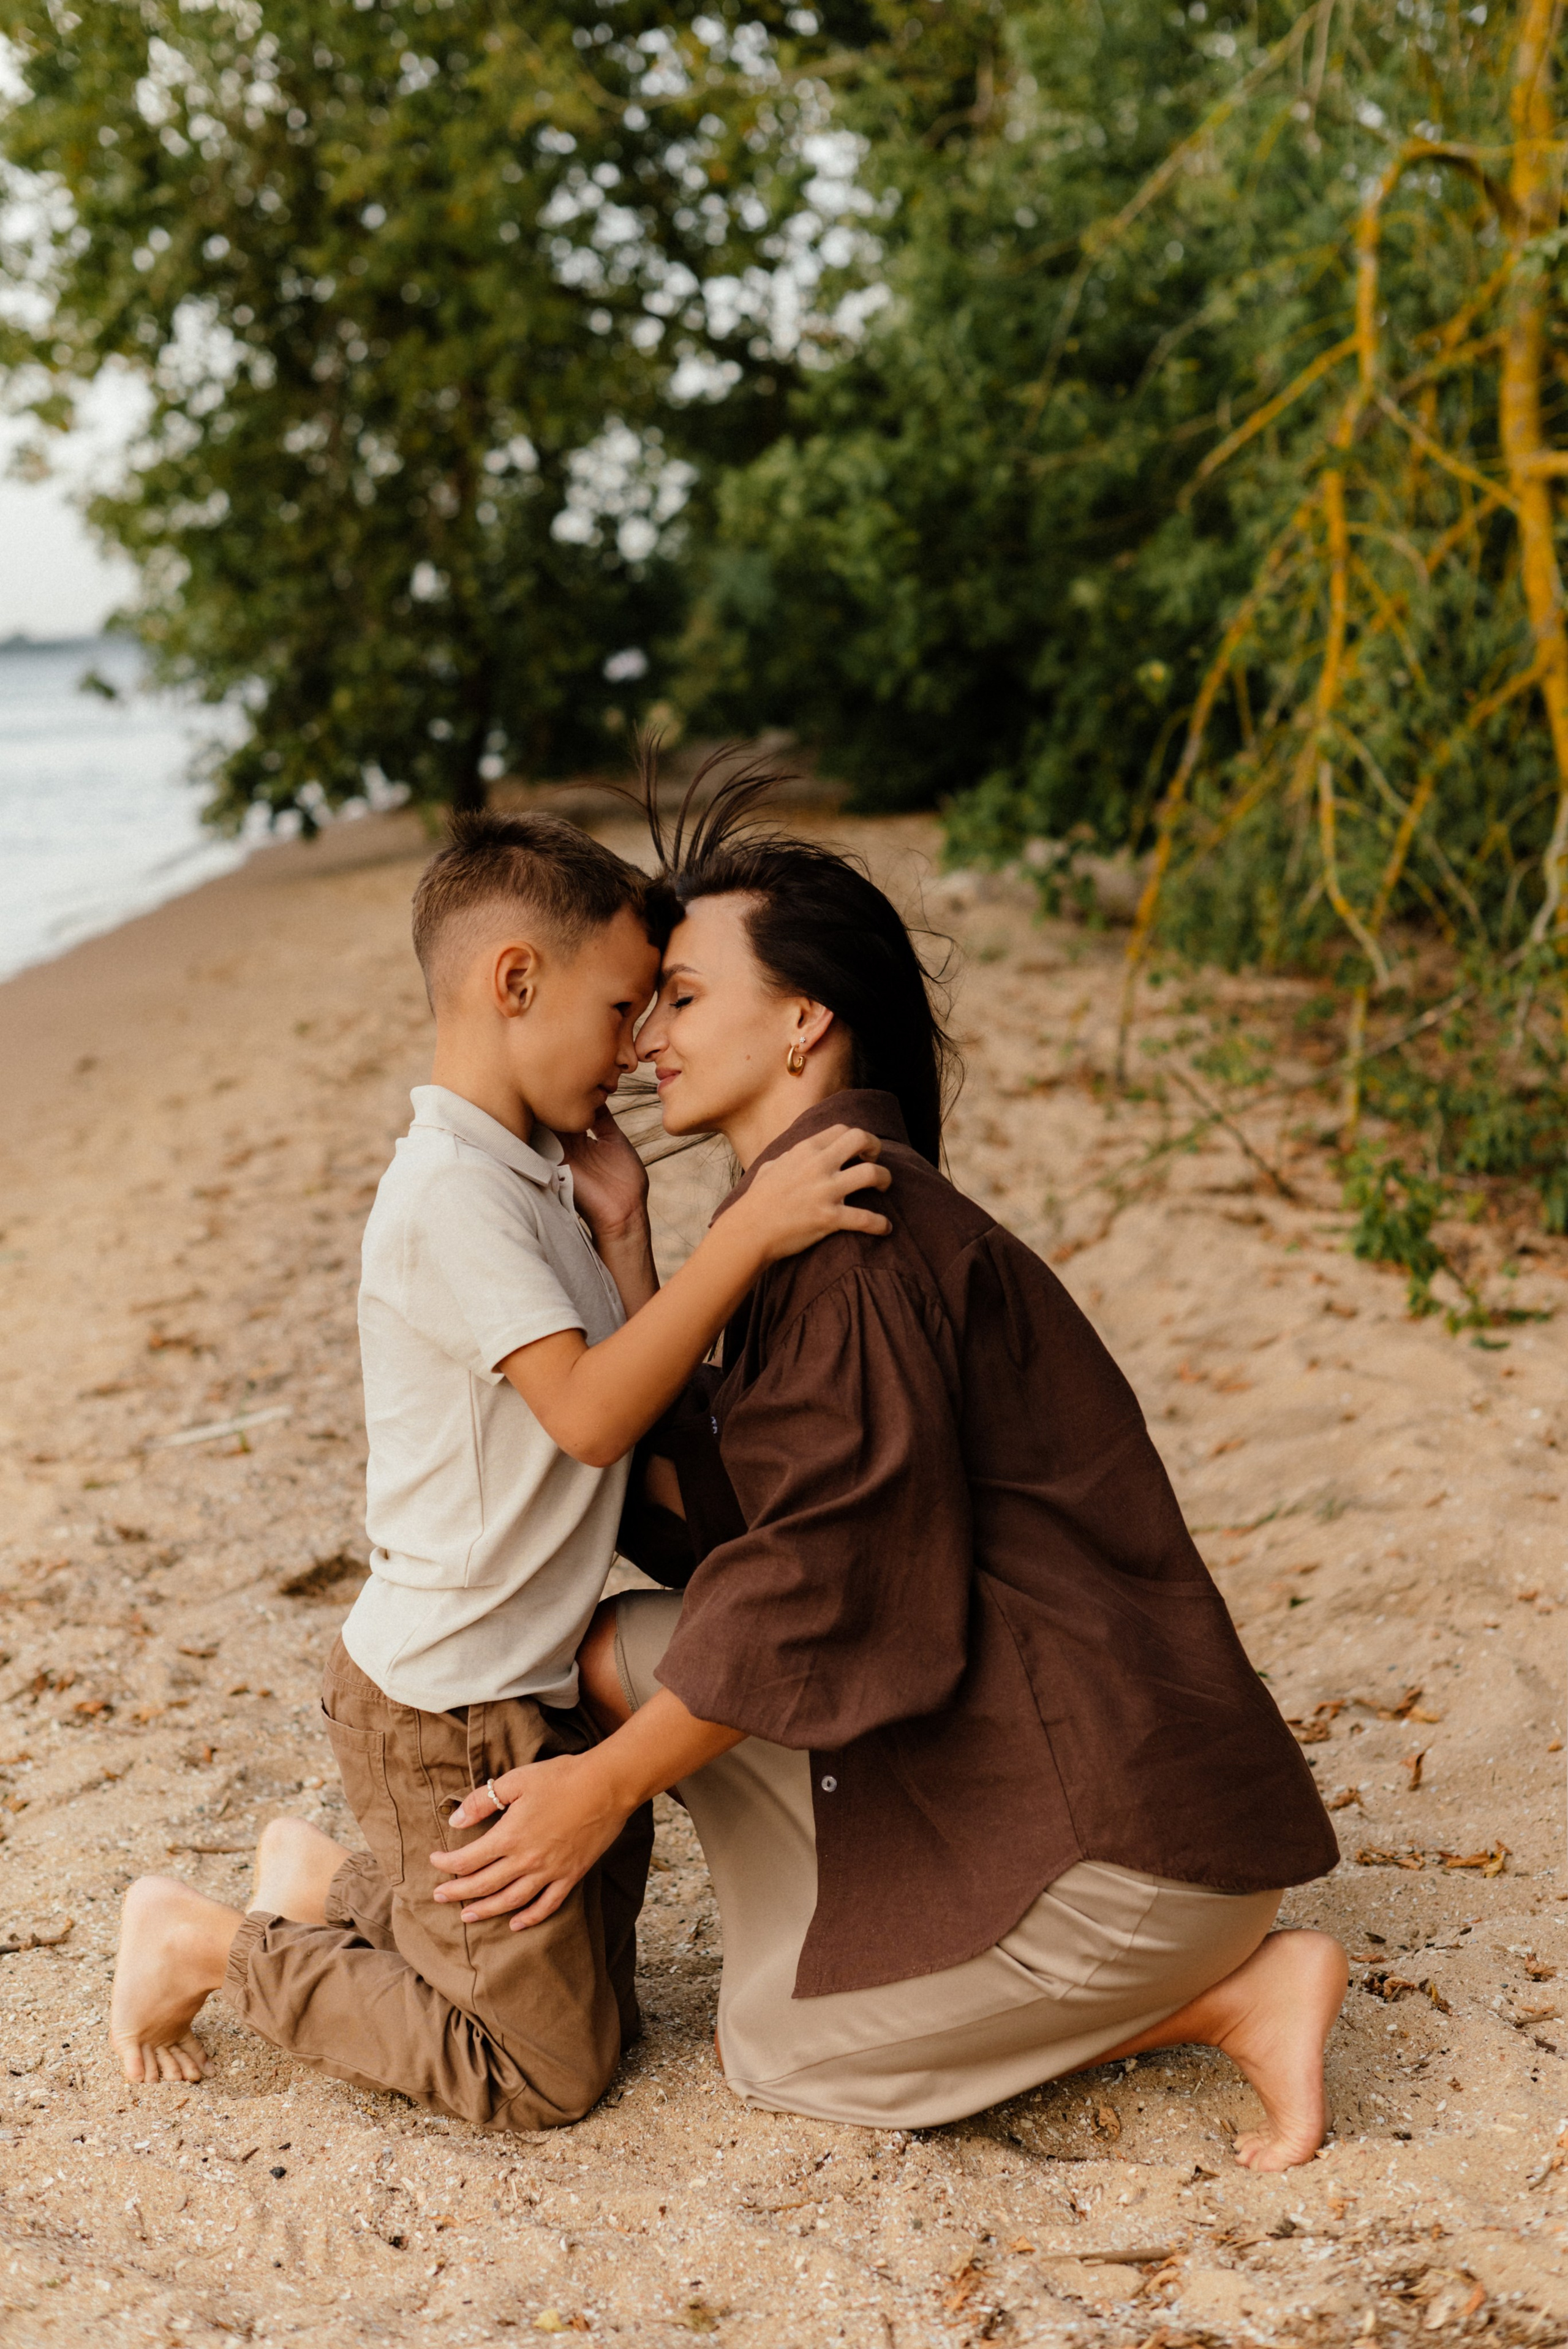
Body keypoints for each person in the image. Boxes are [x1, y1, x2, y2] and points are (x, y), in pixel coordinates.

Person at [423, 771, 1348, 2172]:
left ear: (802, 1020)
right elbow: (747, 1504)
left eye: (679, 995)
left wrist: (604, 1785)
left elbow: (819, 1583)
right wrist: (629, 1257)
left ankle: (1230, 1996)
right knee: (613, 1643)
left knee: (775, 2053)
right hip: (1043, 1733)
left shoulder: (845, 1247)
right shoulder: (820, 1212)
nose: (644, 1038)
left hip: (1131, 1847)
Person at [108, 810, 891, 2132]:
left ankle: (336, 1883)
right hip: (446, 1700)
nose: (640, 1047)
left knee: (599, 1998)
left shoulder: (536, 1180)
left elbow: (629, 1396)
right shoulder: (447, 1197)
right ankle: (202, 1943)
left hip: (525, 1677)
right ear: (514, 981)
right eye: (622, 1006)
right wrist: (744, 1235)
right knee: (541, 2071)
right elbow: (590, 1416)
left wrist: (634, 1230)